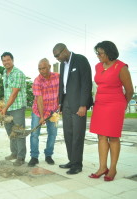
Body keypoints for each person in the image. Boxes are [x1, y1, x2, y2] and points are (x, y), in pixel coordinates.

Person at [89, 41, 133, 181]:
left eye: (100, 53)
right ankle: (103, 167)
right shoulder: (97, 66)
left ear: (109, 52)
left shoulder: (121, 67)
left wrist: (122, 104)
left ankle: (112, 168)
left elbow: (130, 90)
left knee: (113, 137)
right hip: (100, 103)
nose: (98, 56)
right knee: (101, 136)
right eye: (97, 53)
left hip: (115, 104)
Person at [53, 43, 93, 174]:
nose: (56, 58)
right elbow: (62, 86)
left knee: (77, 135)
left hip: (78, 105)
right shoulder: (62, 65)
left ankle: (77, 164)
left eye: (57, 55)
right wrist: (60, 103)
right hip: (66, 104)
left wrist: (84, 104)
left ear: (64, 51)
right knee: (68, 133)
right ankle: (71, 160)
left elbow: (86, 83)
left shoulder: (80, 60)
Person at [28, 58, 59, 167]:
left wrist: (59, 107)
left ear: (49, 67)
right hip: (38, 111)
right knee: (34, 134)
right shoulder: (37, 81)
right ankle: (34, 157)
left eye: (44, 68)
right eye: (40, 69)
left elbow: (61, 93)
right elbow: (39, 99)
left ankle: (48, 155)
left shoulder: (57, 77)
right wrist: (41, 117)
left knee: (53, 133)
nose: (42, 71)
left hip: (53, 111)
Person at [0, 52, 27, 166]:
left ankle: (21, 157)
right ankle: (14, 153)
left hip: (17, 107)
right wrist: (3, 106)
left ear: (12, 60)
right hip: (7, 107)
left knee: (19, 131)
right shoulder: (4, 73)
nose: (6, 62)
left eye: (8, 60)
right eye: (4, 60)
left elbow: (14, 93)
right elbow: (6, 92)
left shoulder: (18, 73)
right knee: (11, 131)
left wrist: (5, 108)